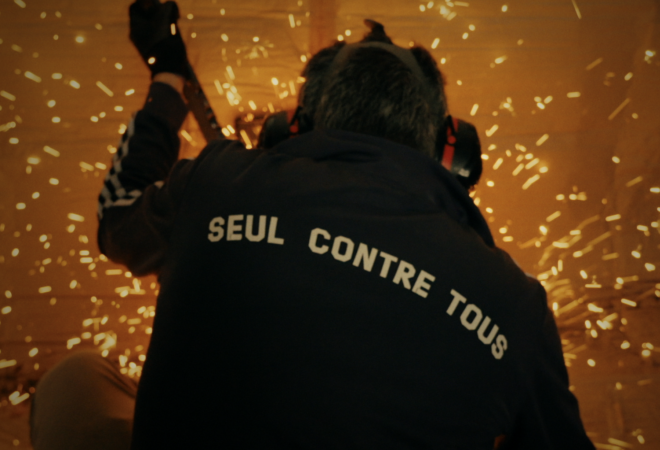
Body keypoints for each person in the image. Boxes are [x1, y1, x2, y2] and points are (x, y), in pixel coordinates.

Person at [32, 1, 595, 449]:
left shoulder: (214, 183)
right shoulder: (513, 304)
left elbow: (118, 218)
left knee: (75, 382)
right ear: (453, 153)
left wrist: (169, 76)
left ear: (292, 129)